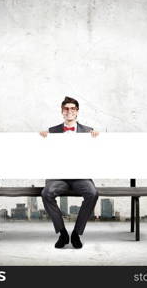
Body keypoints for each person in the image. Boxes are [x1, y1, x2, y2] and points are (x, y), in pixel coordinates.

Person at [39, 96, 99, 249]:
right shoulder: (51, 131)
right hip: (59, 178)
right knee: (46, 193)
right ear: (62, 112)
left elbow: (97, 155)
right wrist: (42, 139)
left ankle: (76, 234)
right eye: (66, 109)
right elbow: (42, 155)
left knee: (92, 193)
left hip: (80, 177)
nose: (69, 111)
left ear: (77, 112)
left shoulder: (88, 131)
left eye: (73, 108)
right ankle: (62, 233)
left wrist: (97, 138)